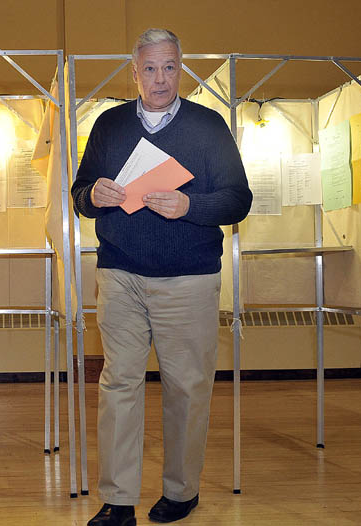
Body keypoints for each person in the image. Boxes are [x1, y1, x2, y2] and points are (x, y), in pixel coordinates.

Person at [71, 29, 252, 525]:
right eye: (150, 68)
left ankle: (181, 490)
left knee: (186, 388)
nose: (160, 79)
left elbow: (239, 199)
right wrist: (95, 195)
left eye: (169, 67)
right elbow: (79, 191)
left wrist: (192, 205)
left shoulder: (208, 126)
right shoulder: (108, 125)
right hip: (121, 275)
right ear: (134, 72)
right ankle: (118, 500)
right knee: (118, 385)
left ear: (181, 68)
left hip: (189, 279)